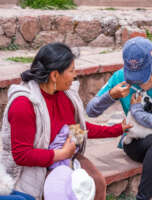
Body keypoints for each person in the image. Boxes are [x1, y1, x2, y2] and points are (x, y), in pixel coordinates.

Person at [0, 42, 132, 200]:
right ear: (55, 75)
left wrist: (116, 129)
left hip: (65, 156)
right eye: (71, 70)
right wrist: (61, 154)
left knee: (97, 182)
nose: (75, 75)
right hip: (35, 166)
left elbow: (77, 129)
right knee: (63, 191)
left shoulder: (65, 96)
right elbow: (21, 155)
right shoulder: (24, 104)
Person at [86, 37, 152, 200]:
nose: (136, 80)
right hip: (136, 140)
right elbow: (91, 111)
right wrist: (110, 96)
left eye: (141, 73)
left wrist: (138, 112)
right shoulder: (119, 77)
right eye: (133, 74)